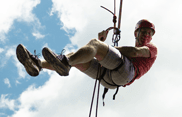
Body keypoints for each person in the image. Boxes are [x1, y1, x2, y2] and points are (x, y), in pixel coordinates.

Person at [16, 19, 158, 90]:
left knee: (94, 44)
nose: (146, 35)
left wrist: (103, 46)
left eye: (148, 33)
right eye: (143, 31)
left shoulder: (151, 48)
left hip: (126, 73)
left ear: (151, 36)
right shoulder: (128, 56)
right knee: (75, 56)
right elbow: (121, 54)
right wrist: (105, 47)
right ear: (136, 33)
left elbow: (135, 52)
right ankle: (38, 64)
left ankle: (64, 63)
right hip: (110, 79)